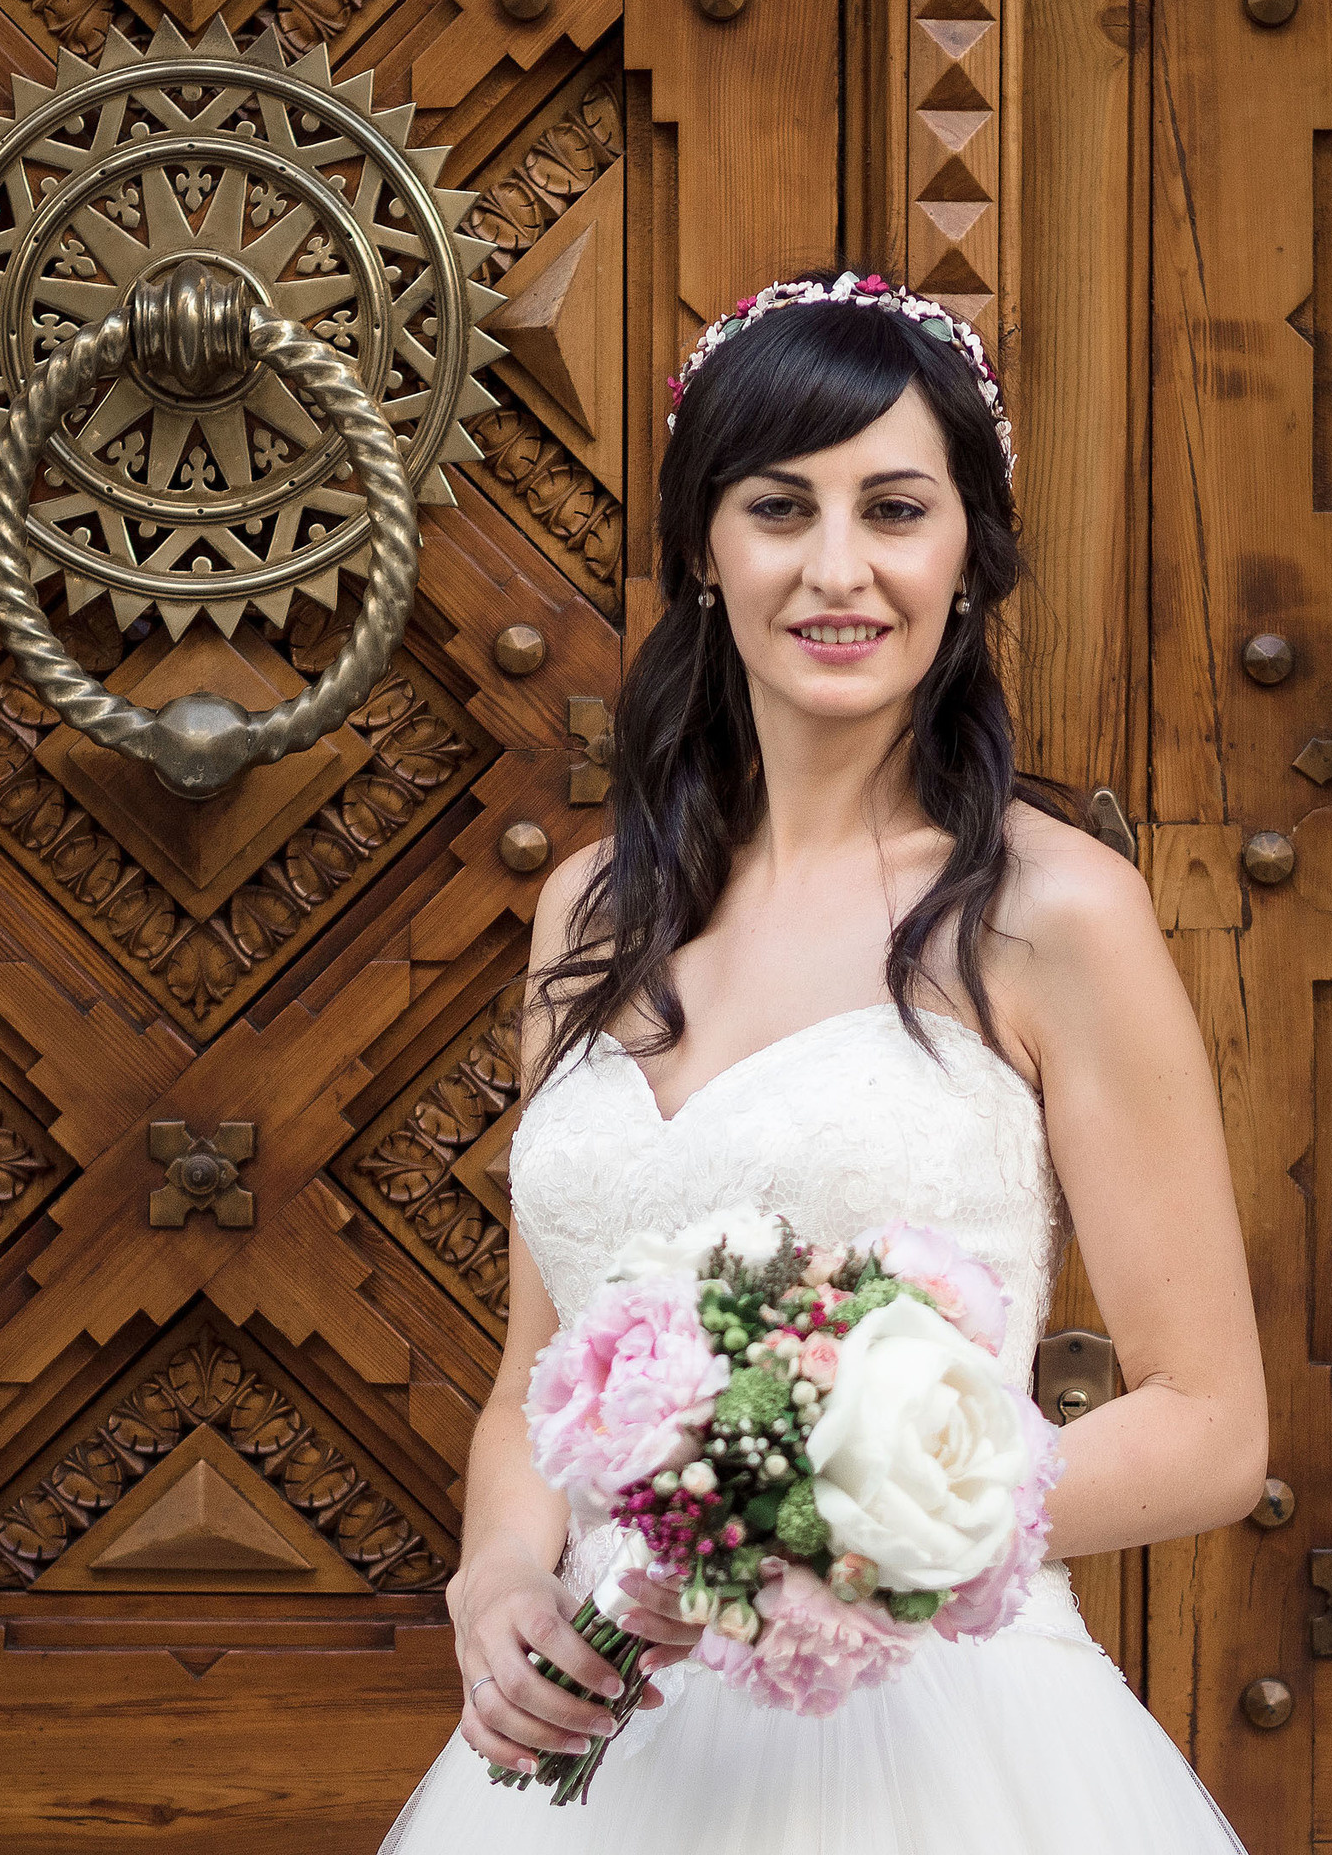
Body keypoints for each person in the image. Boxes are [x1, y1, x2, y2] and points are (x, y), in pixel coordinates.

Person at [380, 268, 1266, 1851]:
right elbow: (536, 1375)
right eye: (780, 508)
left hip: (940, 1748)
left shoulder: (1050, 914)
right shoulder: (593, 909)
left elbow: (1209, 1423)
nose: (838, 569)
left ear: (970, 559)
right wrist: (503, 1573)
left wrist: (835, 1524)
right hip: (605, 1748)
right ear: (707, 555)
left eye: (896, 509)